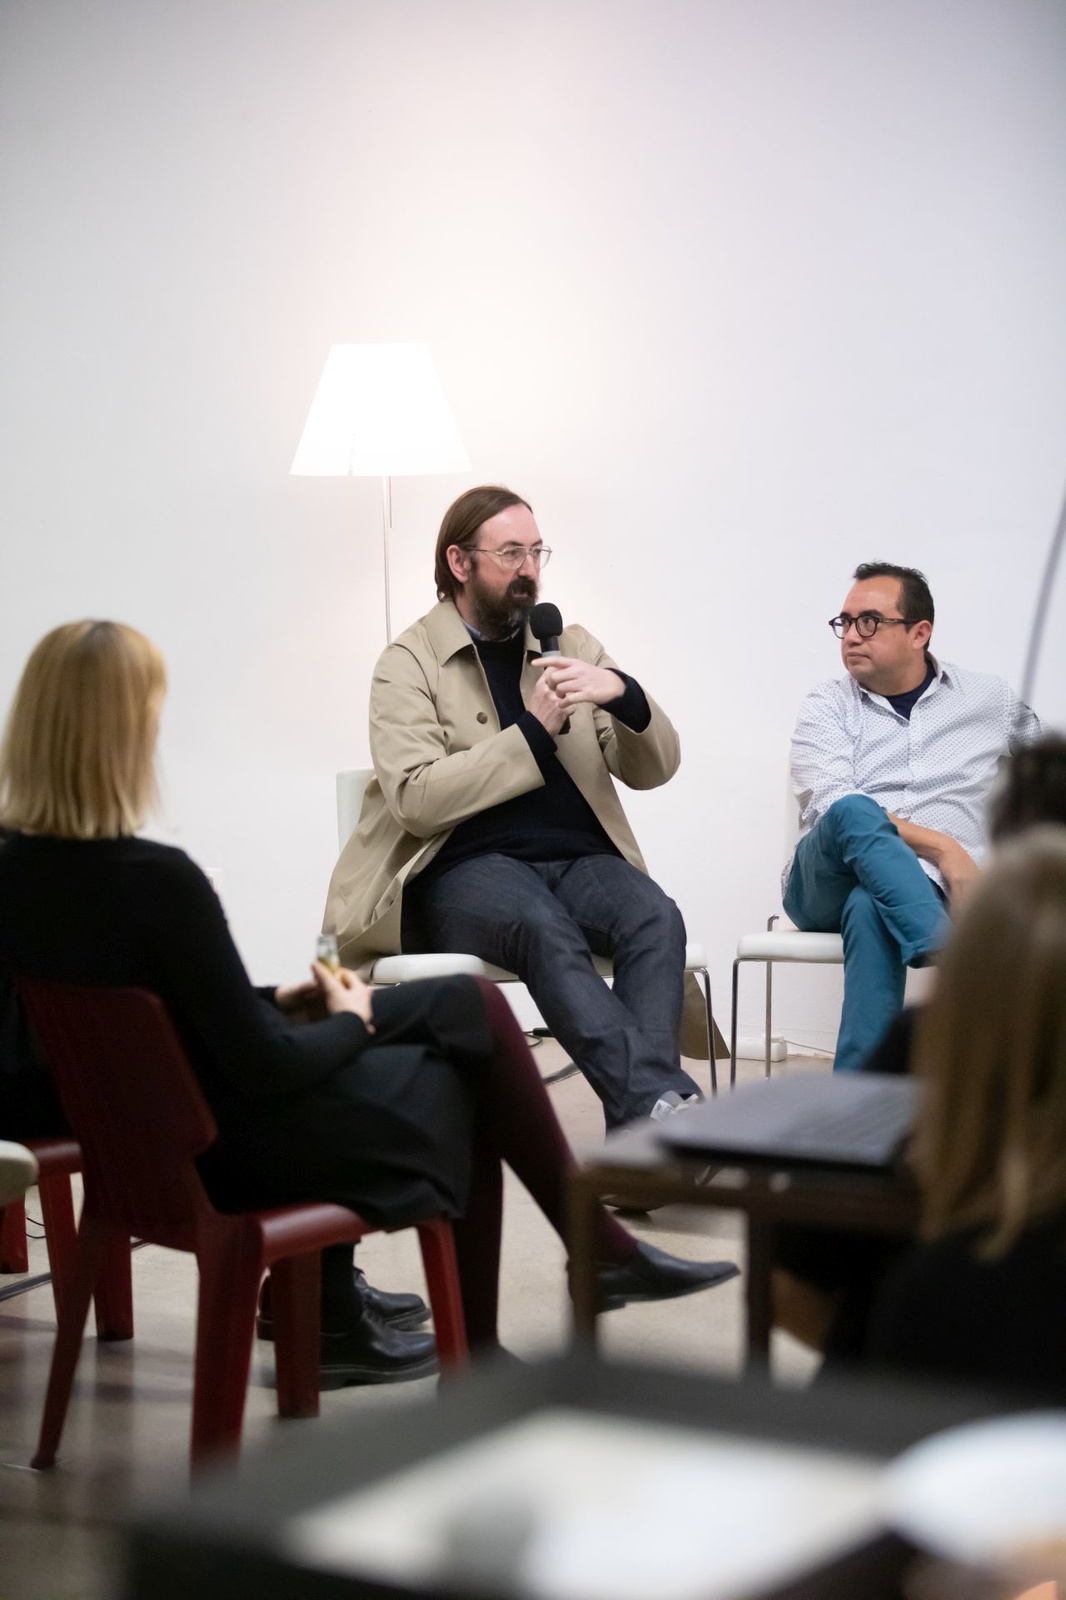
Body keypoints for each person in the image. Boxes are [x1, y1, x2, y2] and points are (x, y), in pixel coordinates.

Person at [0, 621, 738, 1385]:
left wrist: (281, 998)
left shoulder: (18, 874)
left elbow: (161, 1013)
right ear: (126, 735)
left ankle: (362, 1302)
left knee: (464, 1008)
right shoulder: (161, 883)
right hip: (236, 1156)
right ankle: (472, 1329)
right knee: (460, 1083)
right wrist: (349, 1022)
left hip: (148, 1144)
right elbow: (265, 1064)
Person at [324, 485, 718, 1131]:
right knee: (541, 925)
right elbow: (416, 799)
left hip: (581, 860)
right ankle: (659, 1114)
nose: (529, 569)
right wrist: (530, 732)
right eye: (511, 553)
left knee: (655, 915)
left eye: (537, 552)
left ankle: (642, 1130)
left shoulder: (571, 644)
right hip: (466, 869)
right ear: (459, 562)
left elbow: (655, 770)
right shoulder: (408, 662)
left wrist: (624, 695)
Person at [784, 561, 1042, 1073]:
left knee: (871, 906)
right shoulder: (827, 705)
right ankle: (946, 948)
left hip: (922, 890)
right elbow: (832, 802)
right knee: (853, 809)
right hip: (824, 883)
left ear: (919, 633)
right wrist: (946, 847)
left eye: (869, 622)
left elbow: (1049, 771)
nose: (851, 636)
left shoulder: (987, 698)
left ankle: (859, 1095)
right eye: (845, 622)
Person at [865, 828, 1066, 1397]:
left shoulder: (941, 1292)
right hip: (873, 872)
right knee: (863, 887)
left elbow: (792, 1295)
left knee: (866, 901)